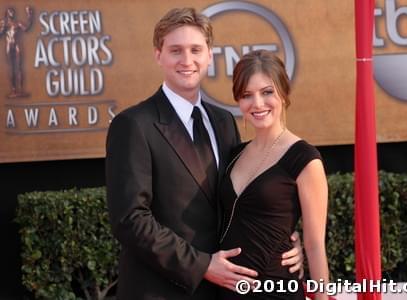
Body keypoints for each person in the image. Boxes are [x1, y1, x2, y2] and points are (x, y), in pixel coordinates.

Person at [106, 8, 302, 300]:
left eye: (195, 49)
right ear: (158, 55)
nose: (187, 60)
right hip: (159, 290)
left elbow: (240, 201)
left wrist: (285, 241)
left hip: (222, 292)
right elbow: (130, 219)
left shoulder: (223, 122)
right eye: (176, 50)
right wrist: (202, 265)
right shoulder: (134, 125)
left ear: (209, 55)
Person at [218, 50, 330, 299]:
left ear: (283, 92)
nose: (257, 104)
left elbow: (314, 246)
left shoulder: (304, 159)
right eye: (247, 95)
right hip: (227, 291)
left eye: (267, 92)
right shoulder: (233, 154)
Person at [0, 6, 33, 98]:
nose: (12, 12)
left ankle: (21, 90)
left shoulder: (17, 23)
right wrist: (2, 28)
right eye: (10, 11)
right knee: (11, 69)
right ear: (7, 13)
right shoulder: (3, 23)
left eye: (13, 11)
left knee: (19, 68)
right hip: (8, 47)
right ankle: (13, 90)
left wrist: (29, 16)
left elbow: (26, 28)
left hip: (16, 46)